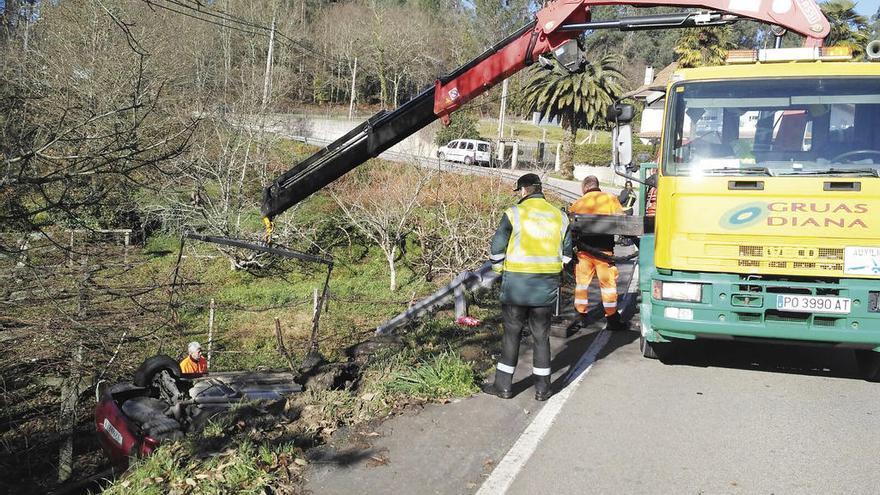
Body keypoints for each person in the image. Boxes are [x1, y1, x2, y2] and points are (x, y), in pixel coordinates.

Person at [483, 173, 572, 401]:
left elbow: (496, 249)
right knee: (541, 336)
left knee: (512, 334)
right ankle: (543, 389)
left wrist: (498, 271)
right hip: (545, 285)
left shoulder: (514, 213)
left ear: (524, 190)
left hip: (517, 286)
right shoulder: (560, 217)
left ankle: (503, 387)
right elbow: (567, 257)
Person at [569, 176, 626, 331]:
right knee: (608, 286)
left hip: (584, 253)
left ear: (585, 188)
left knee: (581, 285)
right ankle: (612, 318)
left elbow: (571, 227)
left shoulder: (578, 203)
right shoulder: (610, 199)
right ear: (597, 186)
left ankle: (580, 317)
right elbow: (623, 222)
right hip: (605, 252)